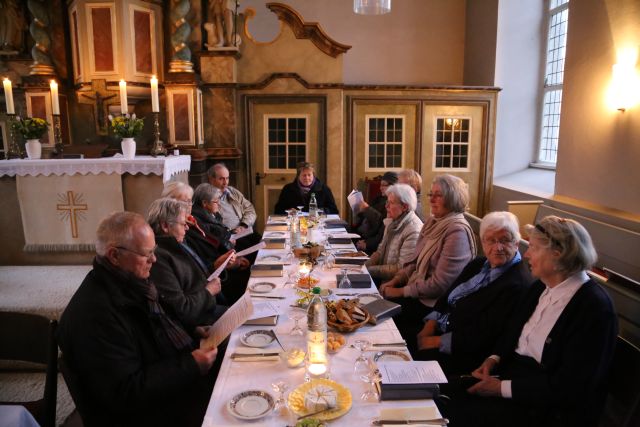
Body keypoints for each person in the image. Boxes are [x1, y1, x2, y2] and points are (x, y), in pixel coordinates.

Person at [446, 216, 618, 427]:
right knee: (438, 391)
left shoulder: (594, 308)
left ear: (558, 254)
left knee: (448, 415)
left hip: (545, 408)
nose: (526, 253)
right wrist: (494, 357)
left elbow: (571, 387)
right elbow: (511, 332)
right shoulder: (540, 287)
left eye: (534, 248)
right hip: (512, 380)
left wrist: (500, 388)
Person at [57, 212, 219, 427]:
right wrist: (191, 365)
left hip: (173, 380)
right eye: (147, 254)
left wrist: (192, 330)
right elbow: (126, 392)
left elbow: (157, 326)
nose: (154, 259)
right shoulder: (97, 314)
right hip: (153, 413)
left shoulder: (127, 280)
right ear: (114, 255)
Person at [415, 211, 532, 374]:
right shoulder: (478, 263)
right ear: (483, 243)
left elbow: (485, 335)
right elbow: (447, 295)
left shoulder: (517, 283)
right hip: (442, 329)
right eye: (491, 240)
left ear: (517, 243)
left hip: (465, 353)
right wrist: (430, 325)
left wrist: (435, 341)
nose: (497, 248)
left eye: (505, 240)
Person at [379, 174, 477, 352]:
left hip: (431, 305)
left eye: (438, 195)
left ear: (453, 197)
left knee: (380, 324)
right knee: (369, 308)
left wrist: (400, 291)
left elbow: (441, 285)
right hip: (415, 294)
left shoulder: (457, 231)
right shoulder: (433, 222)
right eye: (430, 194)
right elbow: (413, 263)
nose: (431, 199)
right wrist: (397, 280)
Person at [147, 198, 228, 330]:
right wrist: (208, 291)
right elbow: (181, 310)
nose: (187, 227)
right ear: (165, 226)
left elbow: (193, 275)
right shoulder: (158, 259)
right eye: (183, 224)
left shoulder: (177, 243)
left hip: (209, 306)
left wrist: (216, 266)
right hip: (200, 321)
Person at [364, 183, 423, 285]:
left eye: (391, 203)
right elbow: (380, 251)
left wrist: (367, 271)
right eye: (387, 201)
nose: (386, 206)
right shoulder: (392, 221)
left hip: (396, 286)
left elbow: (401, 268)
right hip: (382, 279)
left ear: (404, 207)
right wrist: (363, 266)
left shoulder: (413, 230)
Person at [354, 171, 398, 254]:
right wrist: (360, 209)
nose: (380, 188)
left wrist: (367, 243)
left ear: (394, 186)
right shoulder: (378, 198)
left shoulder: (395, 205)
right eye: (380, 185)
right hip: (364, 235)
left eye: (384, 185)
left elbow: (380, 226)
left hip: (372, 245)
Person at [207, 163, 257, 232]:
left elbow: (250, 209)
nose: (225, 182)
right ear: (211, 180)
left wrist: (244, 225)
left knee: (264, 240)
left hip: (244, 230)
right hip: (228, 237)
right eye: (221, 179)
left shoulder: (232, 192)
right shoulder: (208, 198)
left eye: (227, 178)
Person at [274, 161, 339, 215]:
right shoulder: (288, 189)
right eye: (304, 175)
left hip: (317, 223)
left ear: (313, 175)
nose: (307, 178)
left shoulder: (324, 189)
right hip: (295, 223)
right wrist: (288, 211)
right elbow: (278, 210)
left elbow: (334, 210)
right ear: (298, 176)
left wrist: (321, 211)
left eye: (309, 175)